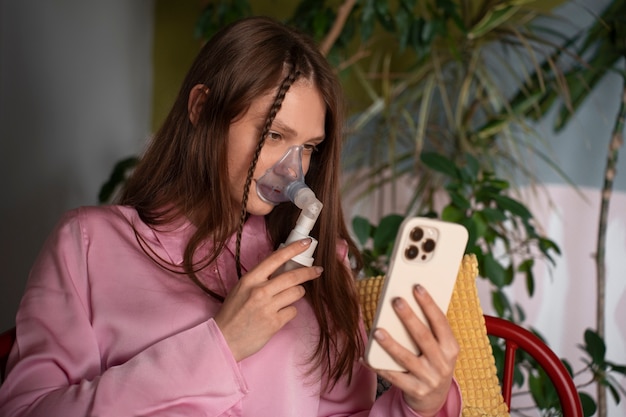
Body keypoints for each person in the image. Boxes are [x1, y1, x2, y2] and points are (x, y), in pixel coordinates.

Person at [0, 16, 461, 417]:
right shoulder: (87, 245)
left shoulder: (319, 266)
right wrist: (218, 346)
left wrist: (420, 405)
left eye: (310, 148)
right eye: (276, 134)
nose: (294, 169)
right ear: (202, 108)